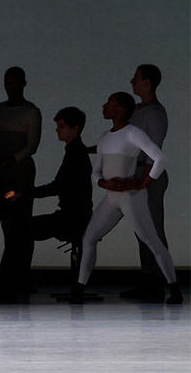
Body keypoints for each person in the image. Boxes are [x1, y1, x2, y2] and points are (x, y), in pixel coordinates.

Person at [72, 92, 182, 304]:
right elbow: (95, 172)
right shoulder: (104, 137)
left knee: (152, 242)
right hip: (111, 198)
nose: (104, 106)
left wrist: (143, 183)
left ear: (121, 109)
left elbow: (160, 158)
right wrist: (104, 183)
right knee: (89, 238)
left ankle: (174, 289)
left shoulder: (133, 133)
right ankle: (79, 290)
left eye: (109, 103)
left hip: (131, 198)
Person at [0, 66, 42, 296]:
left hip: (20, 172)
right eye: (7, 81)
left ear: (23, 83)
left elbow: (32, 146)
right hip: (2, 173)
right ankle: (10, 273)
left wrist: (10, 160)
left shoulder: (31, 112)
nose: (10, 86)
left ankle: (21, 274)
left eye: (14, 82)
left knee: (23, 221)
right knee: (7, 222)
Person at [5, 107, 92, 279]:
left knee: (18, 229)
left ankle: (10, 281)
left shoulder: (75, 155)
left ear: (74, 129)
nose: (57, 130)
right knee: (20, 228)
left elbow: (55, 187)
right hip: (72, 216)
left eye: (61, 126)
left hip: (71, 219)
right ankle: (13, 279)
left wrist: (23, 193)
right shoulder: (75, 152)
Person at [123, 64, 171, 299]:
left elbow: (155, 151)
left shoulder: (155, 112)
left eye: (137, 78)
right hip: (139, 175)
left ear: (147, 83)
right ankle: (148, 280)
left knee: (154, 230)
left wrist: (145, 179)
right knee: (142, 230)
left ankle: (162, 281)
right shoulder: (138, 111)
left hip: (149, 175)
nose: (132, 81)